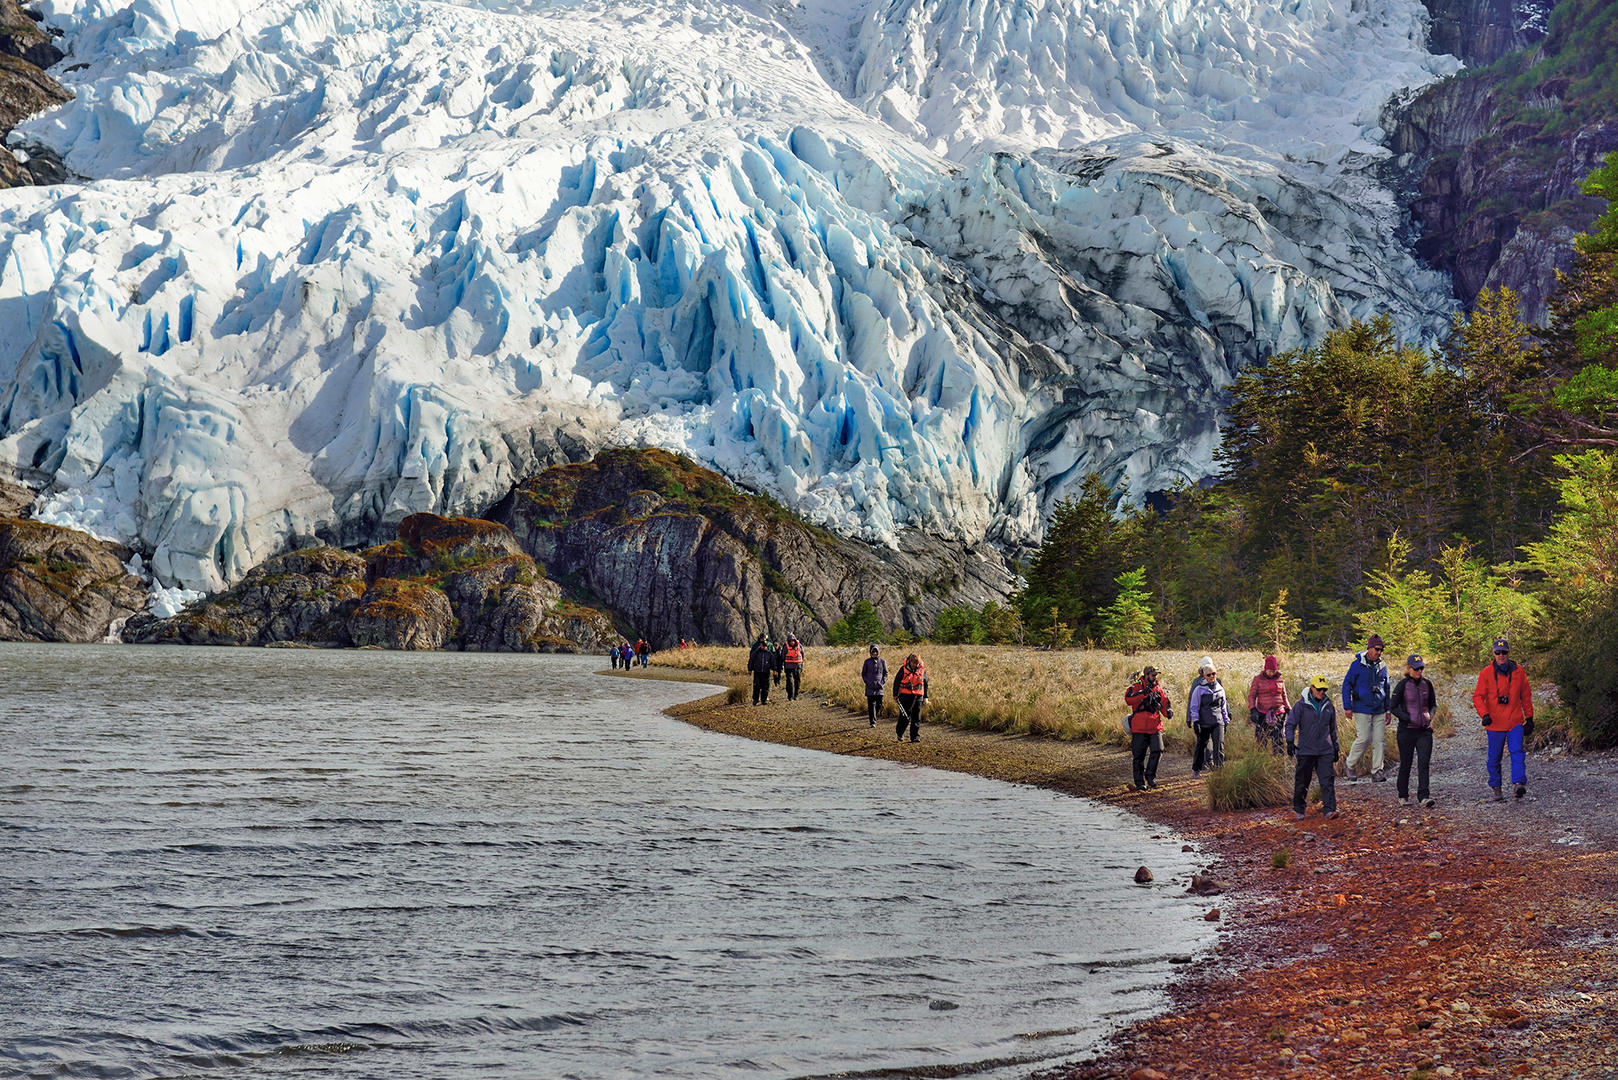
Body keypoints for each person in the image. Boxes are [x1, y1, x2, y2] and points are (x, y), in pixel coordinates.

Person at [1473, 637, 1534, 801]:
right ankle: (1496, 788)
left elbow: (1526, 695)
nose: (1501, 655)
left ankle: (1518, 784)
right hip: (1494, 723)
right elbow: (1478, 696)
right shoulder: (1486, 673)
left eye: (1504, 652)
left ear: (1509, 653)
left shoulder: (1518, 671)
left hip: (1515, 721)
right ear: (1493, 653)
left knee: (1517, 752)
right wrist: (1484, 714)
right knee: (1494, 757)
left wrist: (1529, 717)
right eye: (1498, 652)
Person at [1286, 675, 1341, 820]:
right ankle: (1299, 810)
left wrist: (1336, 747)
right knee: (1302, 781)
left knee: (1327, 781)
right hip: (1306, 750)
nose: (1321, 692)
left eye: (1324, 689)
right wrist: (1290, 742)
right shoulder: (1301, 705)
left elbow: (1333, 729)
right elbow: (1290, 724)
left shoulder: (1329, 705)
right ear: (1311, 688)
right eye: (1319, 689)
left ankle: (1330, 810)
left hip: (1325, 749)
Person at [1342, 633, 1392, 782]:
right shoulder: (1357, 665)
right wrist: (1347, 706)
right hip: (1361, 708)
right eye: (1377, 649)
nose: (1379, 652)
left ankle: (1377, 771)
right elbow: (1347, 685)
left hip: (1379, 709)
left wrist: (1388, 709)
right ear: (1369, 648)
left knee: (1379, 741)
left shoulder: (1382, 666)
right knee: (1363, 738)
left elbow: (1387, 688)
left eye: (1381, 650)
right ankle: (1350, 764)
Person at [1390, 654, 1437, 808]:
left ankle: (1424, 796)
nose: (1419, 671)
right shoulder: (1402, 685)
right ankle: (1403, 795)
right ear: (1409, 668)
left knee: (1424, 763)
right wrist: (1407, 718)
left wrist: (1430, 717)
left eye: (1421, 668)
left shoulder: (1427, 684)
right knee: (1406, 763)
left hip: (1424, 731)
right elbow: (1393, 706)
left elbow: (1433, 704)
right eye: (1416, 668)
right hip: (1406, 731)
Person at [1125, 666, 1172, 791]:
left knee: (1158, 750)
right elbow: (1128, 699)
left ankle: (1150, 776)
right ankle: (1139, 782)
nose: (1155, 677)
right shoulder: (1135, 687)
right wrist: (1143, 693)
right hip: (1139, 728)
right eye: (1153, 675)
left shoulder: (1158, 689)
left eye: (1156, 675)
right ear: (1146, 675)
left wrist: (1168, 711)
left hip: (1154, 726)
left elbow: (1165, 703)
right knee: (1138, 756)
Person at [1187, 660, 1230, 777]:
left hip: (1218, 721)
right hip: (1204, 722)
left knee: (1219, 746)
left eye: (1214, 674)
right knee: (1202, 746)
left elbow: (1223, 706)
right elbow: (1194, 706)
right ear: (1204, 676)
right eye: (1209, 675)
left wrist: (1226, 721)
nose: (1212, 677)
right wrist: (1195, 721)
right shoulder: (1199, 689)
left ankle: (1219, 771)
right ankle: (1196, 769)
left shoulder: (1220, 689)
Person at [1247, 654, 1290, 753]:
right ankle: (1260, 760)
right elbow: (1252, 696)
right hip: (1262, 713)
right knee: (1261, 739)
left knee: (1278, 739)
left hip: (1279, 713)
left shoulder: (1280, 679)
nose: (1272, 673)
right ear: (1265, 669)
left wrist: (1288, 708)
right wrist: (1253, 709)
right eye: (1270, 671)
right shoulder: (1258, 679)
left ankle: (1278, 760)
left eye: (1274, 671)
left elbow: (1284, 695)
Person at [893, 653, 928, 742]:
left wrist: (926, 697)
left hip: (918, 696)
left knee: (916, 717)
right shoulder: (903, 669)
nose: (914, 665)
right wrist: (895, 694)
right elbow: (896, 681)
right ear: (910, 662)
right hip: (905, 696)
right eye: (913, 663)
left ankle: (915, 737)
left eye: (916, 663)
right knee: (904, 717)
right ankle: (899, 733)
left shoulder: (922, 670)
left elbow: (925, 684)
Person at [861, 644, 888, 727]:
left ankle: (875, 716)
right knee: (871, 704)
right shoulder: (867, 662)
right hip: (870, 686)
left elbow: (886, 673)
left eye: (876, 651)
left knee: (879, 703)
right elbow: (863, 673)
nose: (875, 653)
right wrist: (867, 682)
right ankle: (872, 722)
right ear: (870, 652)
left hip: (879, 686)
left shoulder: (883, 661)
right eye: (873, 651)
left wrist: (882, 682)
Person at [748, 635, 774, 705]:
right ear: (761, 646)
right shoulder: (756, 653)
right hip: (757, 672)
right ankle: (755, 700)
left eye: (766, 646)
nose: (765, 647)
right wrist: (750, 669)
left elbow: (773, 662)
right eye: (763, 646)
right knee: (757, 686)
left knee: (765, 687)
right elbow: (751, 661)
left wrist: (775, 670)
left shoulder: (769, 654)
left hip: (766, 672)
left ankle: (764, 700)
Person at [782, 634, 805, 701]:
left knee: (797, 681)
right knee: (790, 682)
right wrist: (783, 665)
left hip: (798, 666)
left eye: (793, 641)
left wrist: (801, 664)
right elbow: (783, 656)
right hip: (789, 667)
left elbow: (803, 655)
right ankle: (790, 696)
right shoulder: (785, 647)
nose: (792, 642)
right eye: (790, 641)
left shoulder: (800, 646)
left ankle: (796, 695)